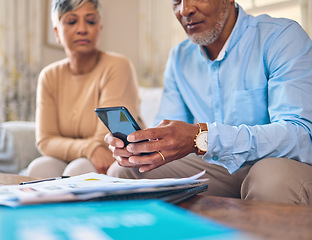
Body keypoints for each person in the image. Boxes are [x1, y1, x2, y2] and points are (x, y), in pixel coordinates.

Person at [105, 0, 312, 205]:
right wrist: (142, 150)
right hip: (220, 169)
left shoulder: (281, 37)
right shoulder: (179, 58)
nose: (185, 10)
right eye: (176, 1)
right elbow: (168, 135)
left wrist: (203, 137)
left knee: (269, 178)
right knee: (125, 172)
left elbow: (300, 136)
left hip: (282, 163)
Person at [27, 0, 143, 178]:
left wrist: (91, 149)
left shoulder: (118, 66)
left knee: (79, 170)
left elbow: (107, 140)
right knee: (39, 168)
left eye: (90, 21)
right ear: (57, 32)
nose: (82, 29)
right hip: (82, 155)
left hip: (118, 156)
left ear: (100, 29)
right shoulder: (49, 76)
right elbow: (45, 140)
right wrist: (88, 148)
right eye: (72, 21)